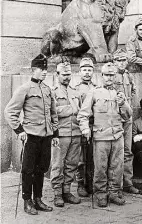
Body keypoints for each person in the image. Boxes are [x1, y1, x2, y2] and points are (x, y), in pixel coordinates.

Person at [4, 54, 59, 215]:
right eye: (41, 69)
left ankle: (38, 199)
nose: (44, 72)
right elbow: (10, 111)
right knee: (28, 169)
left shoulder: (47, 90)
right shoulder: (25, 89)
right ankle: (27, 201)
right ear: (33, 70)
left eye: (45, 69)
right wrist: (19, 130)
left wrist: (55, 134)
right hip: (31, 136)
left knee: (41, 168)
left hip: (46, 136)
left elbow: (53, 114)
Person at [77, 62, 132, 207]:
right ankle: (100, 194)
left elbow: (128, 116)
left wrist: (123, 104)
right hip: (101, 137)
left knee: (117, 167)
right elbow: (83, 114)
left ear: (115, 76)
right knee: (100, 167)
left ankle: (114, 193)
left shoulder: (119, 93)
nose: (109, 78)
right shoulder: (94, 92)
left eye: (112, 75)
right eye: (106, 75)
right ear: (101, 76)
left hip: (117, 136)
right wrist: (85, 129)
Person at [51, 62, 82, 207]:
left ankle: (67, 191)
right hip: (60, 134)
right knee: (58, 165)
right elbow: (52, 113)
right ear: (57, 74)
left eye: (69, 74)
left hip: (76, 133)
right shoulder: (52, 92)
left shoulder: (75, 91)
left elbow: (81, 111)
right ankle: (57, 193)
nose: (67, 77)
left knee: (72, 164)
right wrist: (70, 109)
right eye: (64, 74)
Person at [113, 49, 140, 194]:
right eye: (118, 60)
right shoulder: (111, 76)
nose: (121, 63)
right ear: (114, 62)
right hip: (116, 118)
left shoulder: (129, 76)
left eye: (123, 60)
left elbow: (133, 92)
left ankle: (128, 183)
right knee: (116, 152)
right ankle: (116, 185)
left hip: (128, 117)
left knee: (128, 151)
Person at [75, 57, 96, 197]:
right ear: (80, 72)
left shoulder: (96, 88)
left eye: (89, 70)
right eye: (84, 70)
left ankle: (90, 182)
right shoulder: (76, 89)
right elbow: (77, 109)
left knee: (92, 156)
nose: (87, 73)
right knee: (81, 158)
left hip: (95, 125)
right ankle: (80, 184)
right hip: (82, 124)